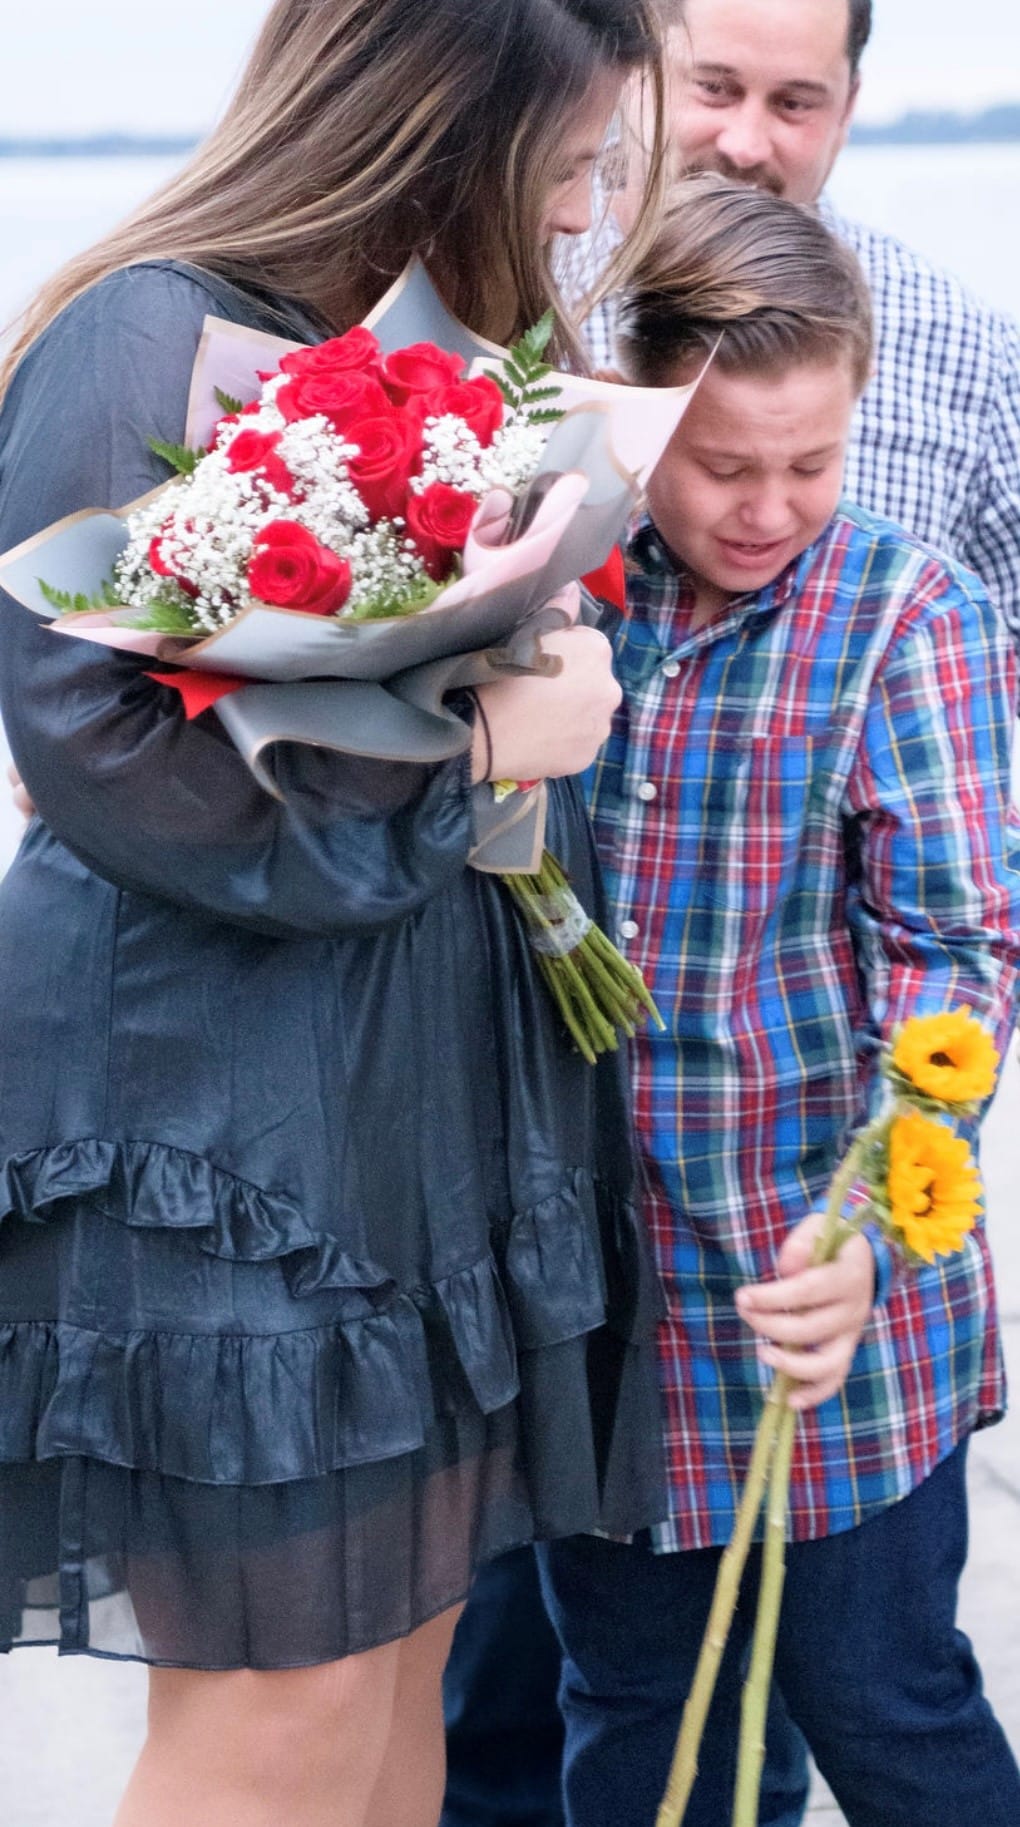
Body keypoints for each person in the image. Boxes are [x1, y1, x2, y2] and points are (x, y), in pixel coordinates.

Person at [0, 5, 673, 1825]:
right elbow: (98, 749)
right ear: (429, 122)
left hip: (400, 1095)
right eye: (566, 162)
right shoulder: (151, 329)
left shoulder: (416, 355)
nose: (584, 207)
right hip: (218, 1123)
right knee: (277, 1723)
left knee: (394, 1692)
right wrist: (470, 761)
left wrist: (525, 682)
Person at [443, 4, 1020, 1820]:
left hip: (826, 1301)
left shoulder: (900, 610)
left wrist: (886, 1211)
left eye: (814, 464)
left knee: (890, 1705)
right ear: (635, 423)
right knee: (638, 1722)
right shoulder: (548, 588)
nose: (771, 507)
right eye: (722, 467)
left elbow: (960, 949)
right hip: (604, 1321)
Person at [572, 0, 1020, 643]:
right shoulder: (502, 286)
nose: (745, 144)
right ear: (633, 71)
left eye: (794, 103)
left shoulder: (969, 346)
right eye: (714, 88)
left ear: (847, 108)